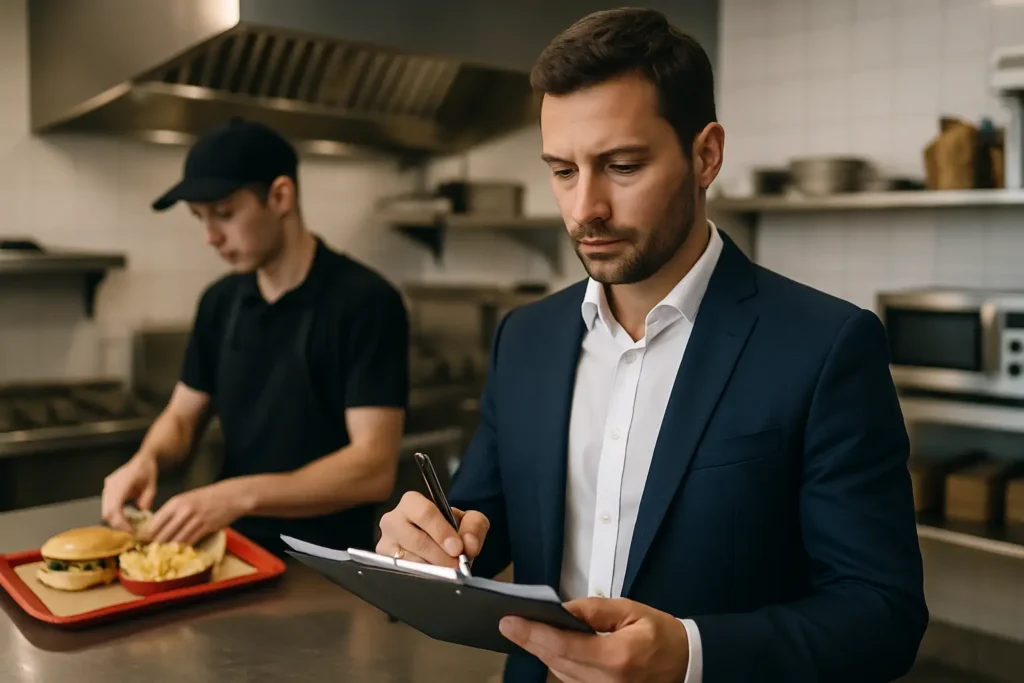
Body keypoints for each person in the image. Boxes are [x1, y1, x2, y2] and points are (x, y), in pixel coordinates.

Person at [376, 8, 927, 683]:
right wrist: (423, 550)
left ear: (706, 155)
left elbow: (882, 616)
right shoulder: (526, 339)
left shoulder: (826, 347)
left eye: (622, 166)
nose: (586, 208)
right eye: (563, 171)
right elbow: (478, 534)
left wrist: (688, 653)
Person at [101, 118, 409, 556]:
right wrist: (146, 458)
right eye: (200, 218)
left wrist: (237, 495)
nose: (210, 237)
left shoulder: (366, 302)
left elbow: (372, 468)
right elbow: (182, 418)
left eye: (224, 214)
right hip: (231, 554)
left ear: (280, 196)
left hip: (328, 564)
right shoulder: (220, 302)